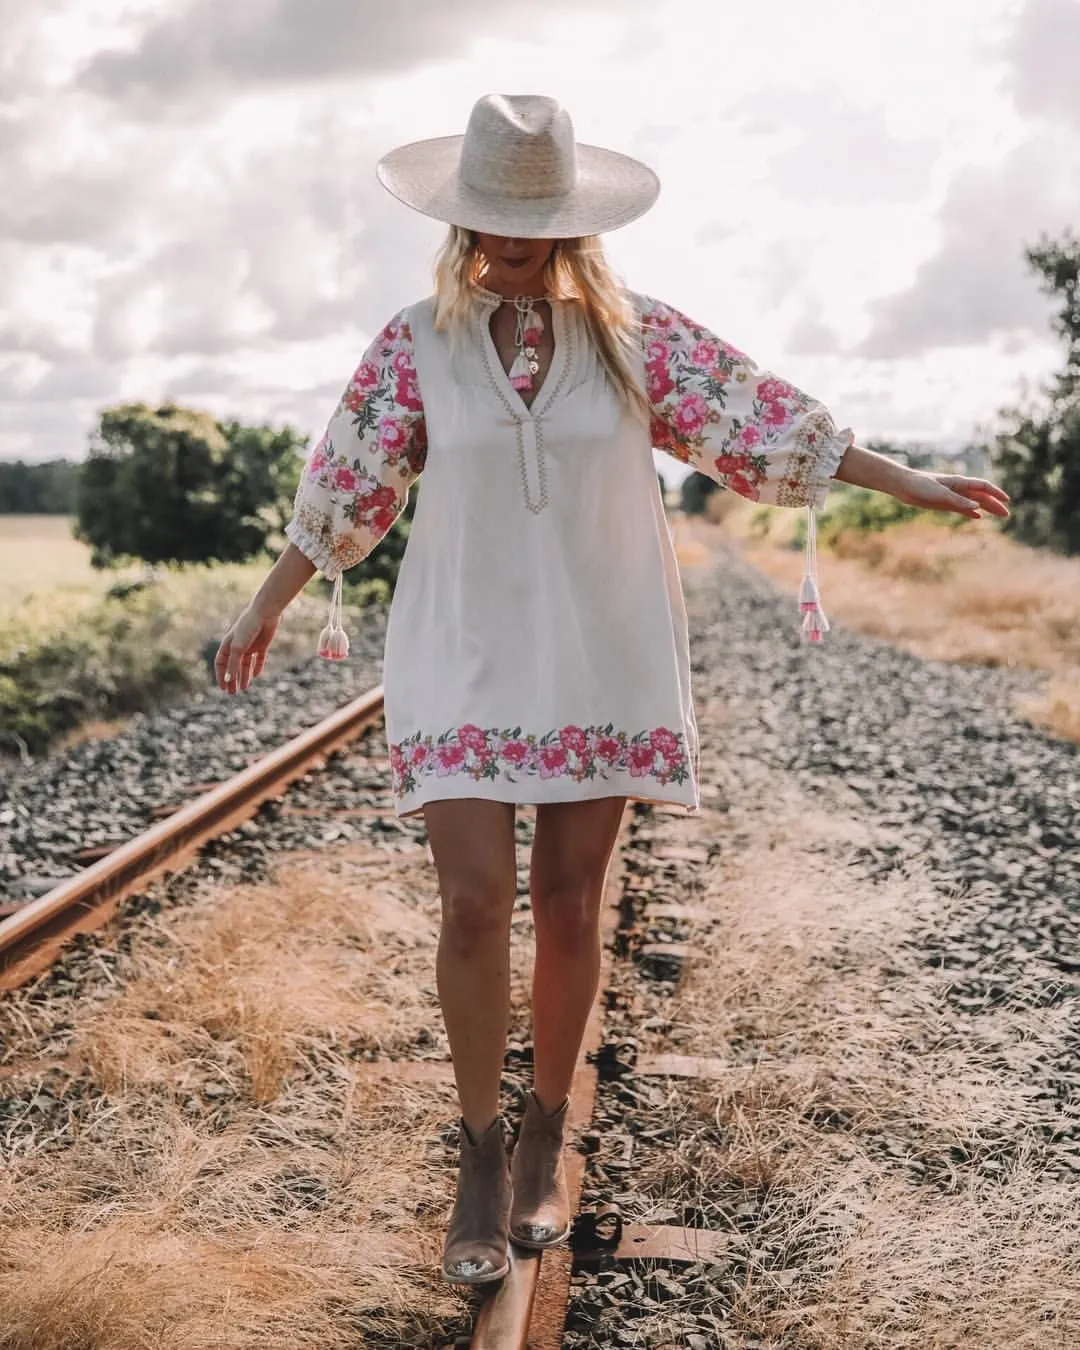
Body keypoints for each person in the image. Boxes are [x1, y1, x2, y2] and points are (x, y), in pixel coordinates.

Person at [214, 94, 1010, 1285]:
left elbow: (763, 419)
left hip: (598, 647)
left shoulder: (637, 338)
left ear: (572, 219)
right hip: (463, 650)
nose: (510, 235)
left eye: (533, 214)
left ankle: (544, 1129)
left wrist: (909, 480)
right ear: (460, 215)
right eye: (492, 213)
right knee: (476, 905)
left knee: (572, 905)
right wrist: (267, 598)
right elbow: (349, 481)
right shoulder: (413, 342)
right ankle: (480, 1149)